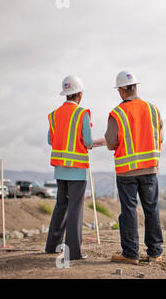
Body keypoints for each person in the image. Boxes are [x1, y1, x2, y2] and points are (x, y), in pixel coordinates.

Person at [105, 70, 163, 265]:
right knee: (151, 209)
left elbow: (111, 143)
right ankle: (155, 252)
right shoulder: (152, 109)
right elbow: (160, 137)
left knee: (129, 210)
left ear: (121, 91)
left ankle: (130, 254)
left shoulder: (117, 113)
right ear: (135, 87)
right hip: (149, 169)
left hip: (126, 172)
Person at [45, 75, 93, 260]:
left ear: (66, 94)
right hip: (77, 170)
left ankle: (53, 246)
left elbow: (51, 139)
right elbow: (88, 141)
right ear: (79, 94)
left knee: (61, 205)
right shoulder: (82, 114)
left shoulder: (55, 115)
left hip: (60, 169)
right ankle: (73, 252)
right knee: (75, 208)